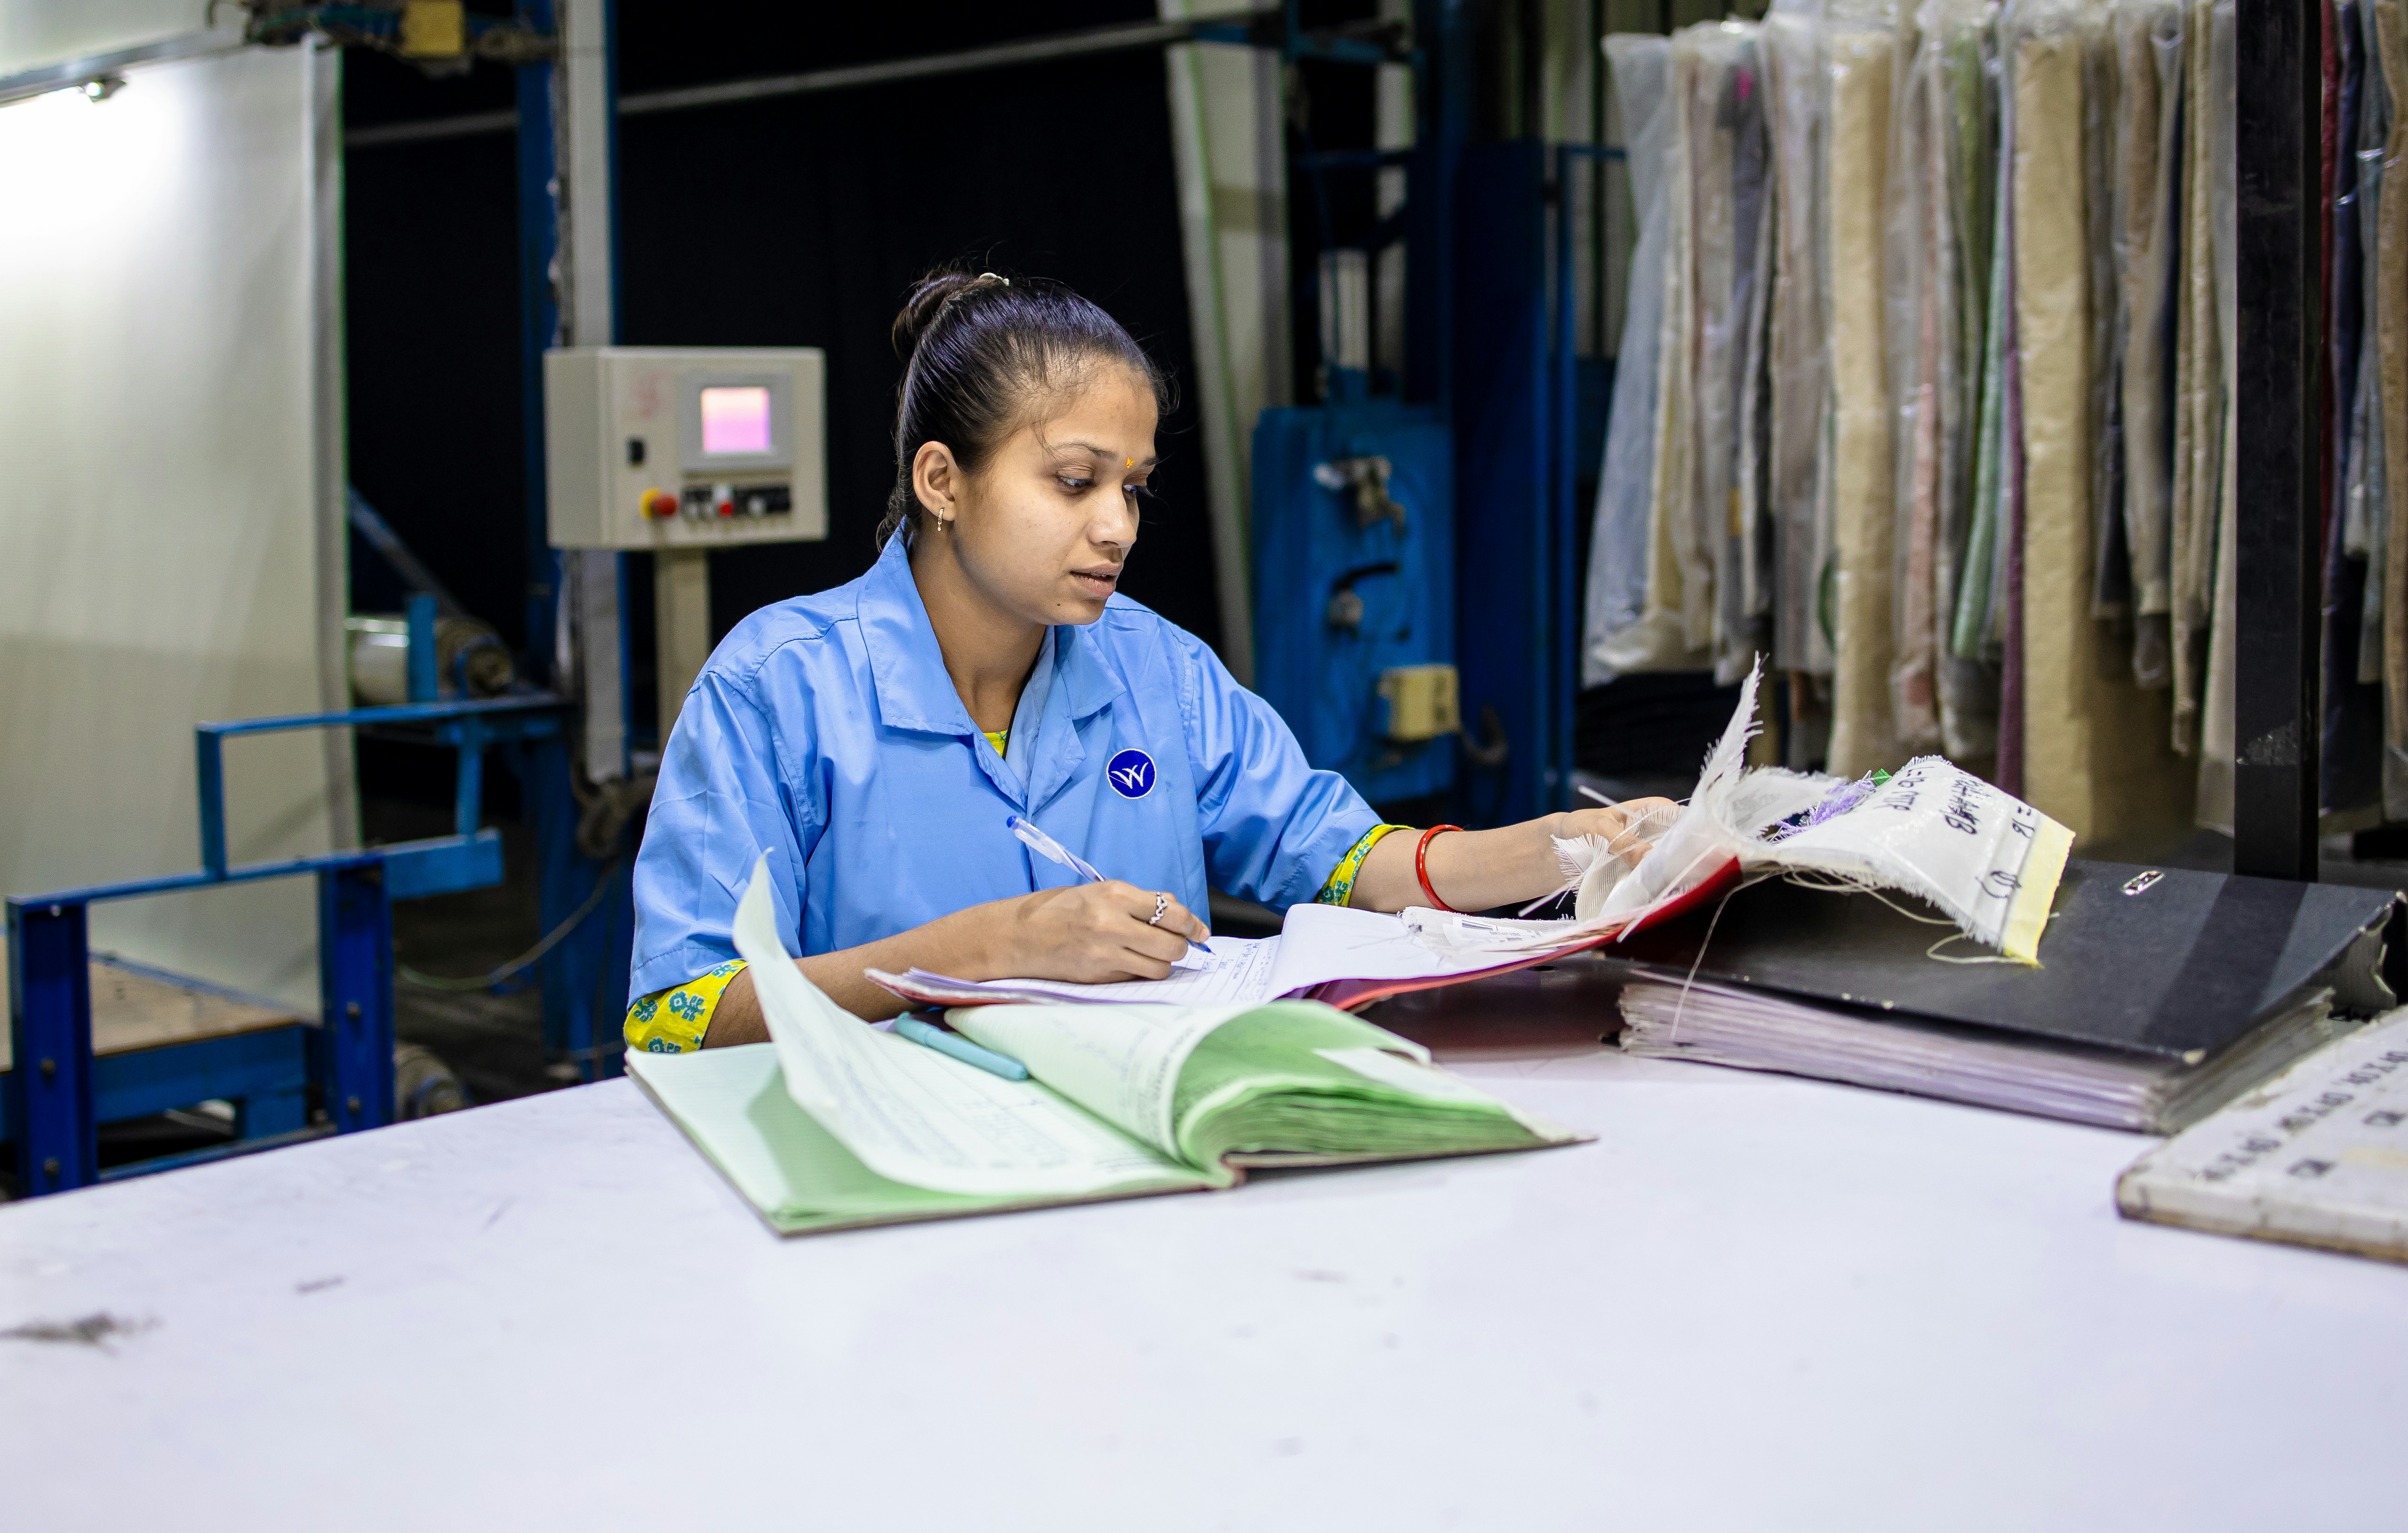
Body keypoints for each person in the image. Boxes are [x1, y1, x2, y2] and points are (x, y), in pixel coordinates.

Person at [624, 270, 1663, 1050]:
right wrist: (983, 951)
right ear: (942, 479)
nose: (1117, 524)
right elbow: (674, 1015)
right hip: (882, 1187)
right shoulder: (777, 689)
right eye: (1074, 481)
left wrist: (1574, 844)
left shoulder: (1159, 672)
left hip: (1148, 1164)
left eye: (1135, 486)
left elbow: (1348, 861)